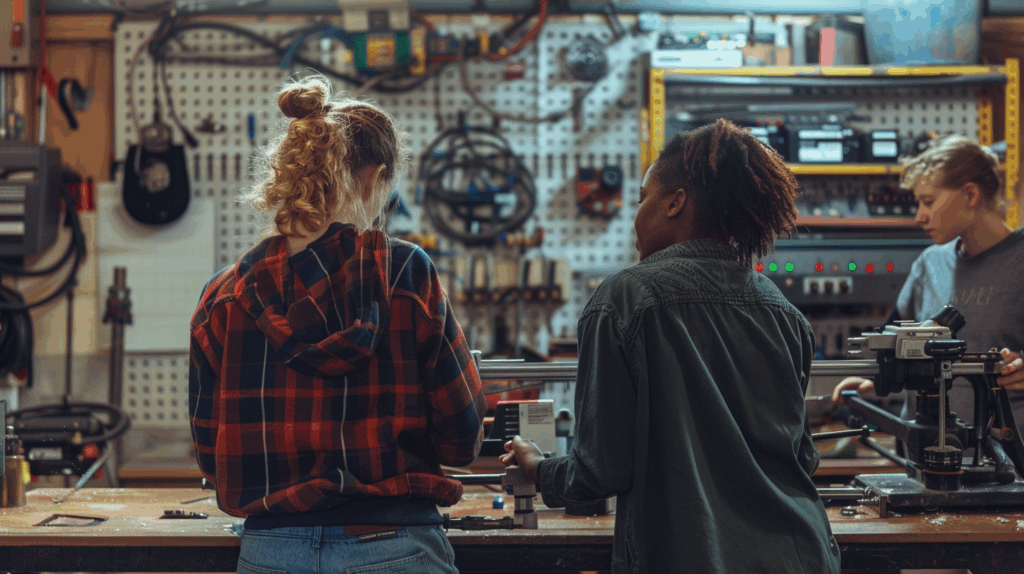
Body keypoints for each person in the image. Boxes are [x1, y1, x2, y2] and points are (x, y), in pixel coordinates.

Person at [501, 119, 840, 573]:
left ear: (676, 203)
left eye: (644, 200)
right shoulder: (783, 312)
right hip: (801, 555)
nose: (636, 217)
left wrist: (540, 469)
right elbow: (800, 458)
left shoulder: (624, 299)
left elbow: (602, 470)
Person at [189, 76, 486, 574]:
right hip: (395, 543)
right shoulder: (406, 273)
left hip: (270, 552)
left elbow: (209, 454)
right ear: (372, 179)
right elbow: (462, 438)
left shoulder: (224, 296)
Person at [831, 136, 1024, 427]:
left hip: (1006, 460)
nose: (919, 216)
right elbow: (894, 338)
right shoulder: (929, 263)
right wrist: (874, 377)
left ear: (970, 195)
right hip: (924, 451)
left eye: (928, 202)